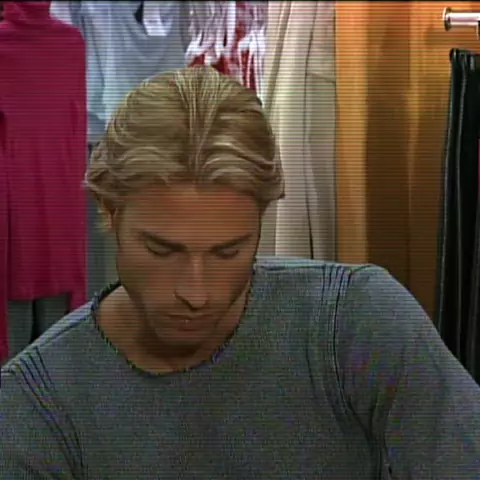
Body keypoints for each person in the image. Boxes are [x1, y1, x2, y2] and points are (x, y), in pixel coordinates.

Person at [0, 66, 479, 479]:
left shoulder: (356, 324)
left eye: (228, 252)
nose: (197, 293)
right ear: (110, 211)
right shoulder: (37, 405)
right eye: (162, 250)